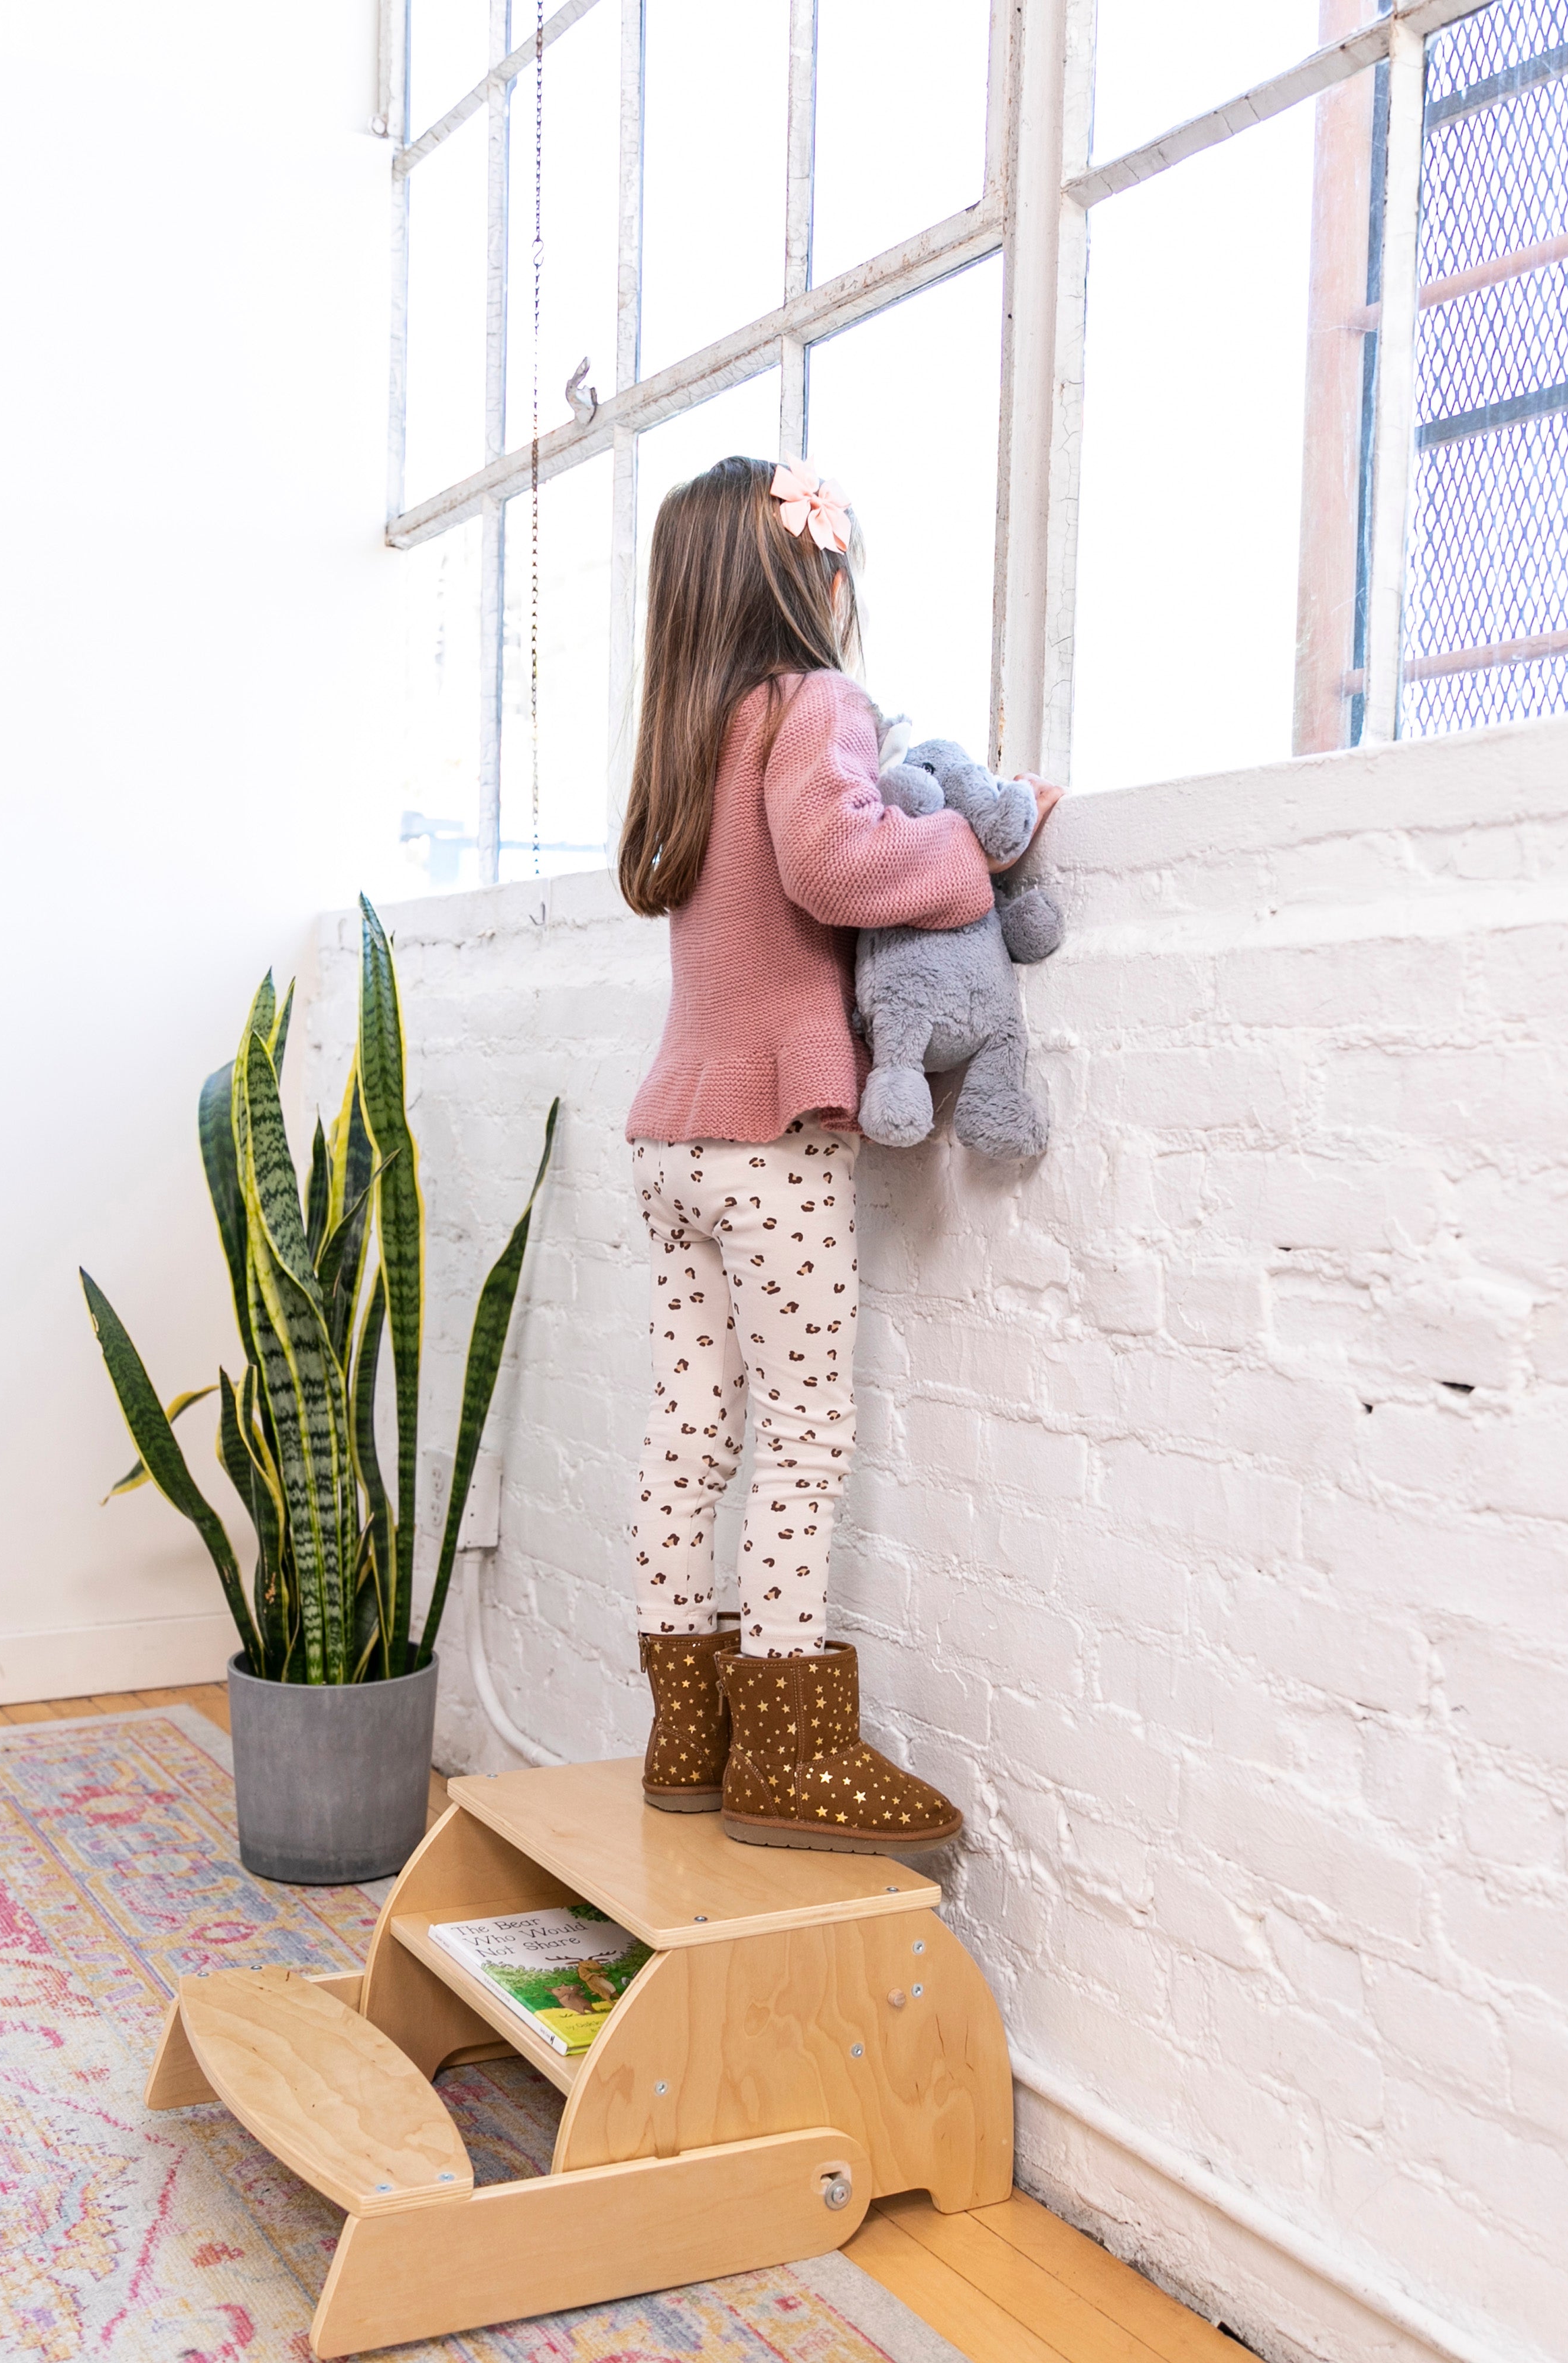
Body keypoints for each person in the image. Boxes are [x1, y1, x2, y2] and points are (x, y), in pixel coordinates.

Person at [616, 456, 1060, 1854]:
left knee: (692, 1424)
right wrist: (980, 851)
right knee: (803, 1435)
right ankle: (787, 1749)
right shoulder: (812, 704)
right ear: (807, 579)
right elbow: (836, 862)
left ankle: (686, 1725)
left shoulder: (683, 735)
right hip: (770, 1141)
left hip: (672, 1136)